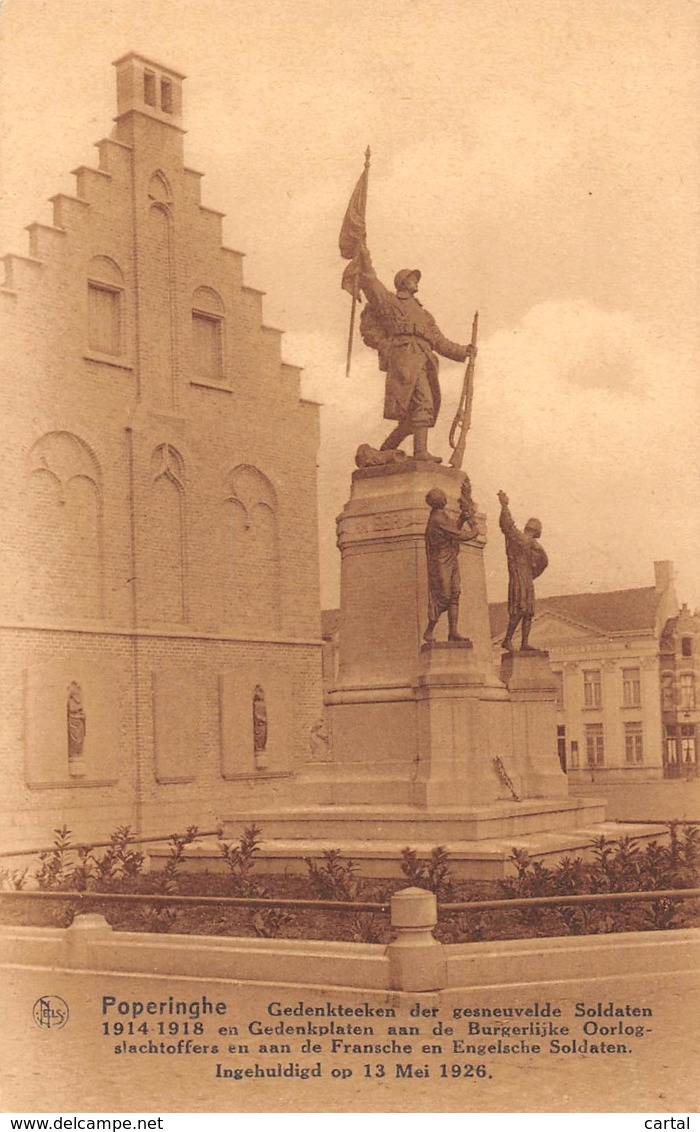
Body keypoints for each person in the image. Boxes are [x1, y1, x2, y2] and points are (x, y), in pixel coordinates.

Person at [358, 243, 474, 462]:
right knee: (424, 404)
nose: (416, 281)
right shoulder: (390, 302)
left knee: (412, 419)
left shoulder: (424, 314)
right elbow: (372, 283)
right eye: (412, 278)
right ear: (403, 282)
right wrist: (364, 256)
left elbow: (439, 341)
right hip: (404, 360)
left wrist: (463, 351)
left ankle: (381, 454)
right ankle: (420, 452)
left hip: (423, 361)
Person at [423, 488, 478, 643]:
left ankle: (453, 631)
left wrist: (461, 520)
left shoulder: (441, 516)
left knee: (455, 593)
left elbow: (452, 528)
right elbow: (457, 535)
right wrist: (474, 532)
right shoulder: (436, 519)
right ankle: (429, 630)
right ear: (438, 501)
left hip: (450, 557)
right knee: (444, 595)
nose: (445, 499)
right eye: (442, 497)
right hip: (440, 560)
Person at [497, 490, 548, 652]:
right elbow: (543, 563)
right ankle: (508, 640)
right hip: (521, 578)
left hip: (523, 578)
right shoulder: (522, 539)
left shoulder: (529, 542)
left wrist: (504, 506)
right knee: (521, 610)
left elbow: (507, 525)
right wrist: (504, 506)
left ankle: (523, 643)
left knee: (527, 611)